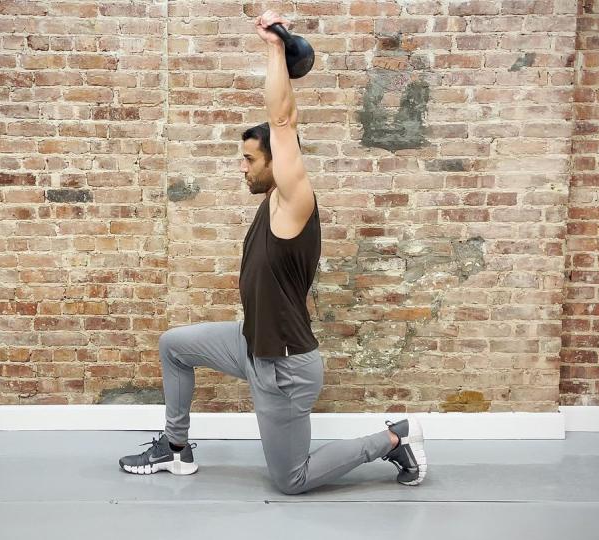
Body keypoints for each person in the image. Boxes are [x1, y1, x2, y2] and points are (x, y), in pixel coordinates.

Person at [119, 10, 428, 495]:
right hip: (251, 344)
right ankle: (175, 449)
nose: (242, 168)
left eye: (249, 159)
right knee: (173, 345)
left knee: (291, 479)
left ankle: (393, 439)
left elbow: (282, 120)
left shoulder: (293, 203)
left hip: (285, 369)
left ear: (277, 162)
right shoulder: (268, 204)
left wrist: (274, 48)